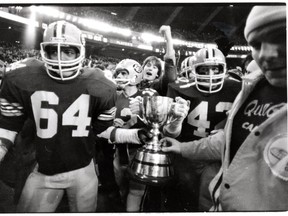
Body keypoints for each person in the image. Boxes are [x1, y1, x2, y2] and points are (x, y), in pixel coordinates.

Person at [161, 5, 287, 211]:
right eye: (256, 43)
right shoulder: (250, 89)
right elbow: (225, 140)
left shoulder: (238, 86)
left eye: (280, 36)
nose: (268, 53)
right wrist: (181, 143)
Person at [0, 20, 117, 212]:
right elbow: (7, 127)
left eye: (68, 51)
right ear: (44, 51)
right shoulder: (21, 78)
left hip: (83, 167)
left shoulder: (100, 85)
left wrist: (131, 134)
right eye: (54, 51)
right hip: (42, 169)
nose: (60, 58)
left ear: (81, 52)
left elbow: (102, 130)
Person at [163, 47, 241, 212]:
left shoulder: (237, 89)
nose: (211, 75)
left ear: (224, 70)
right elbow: (170, 132)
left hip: (215, 156)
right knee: (184, 193)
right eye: (205, 69)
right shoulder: (180, 88)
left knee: (211, 198)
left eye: (215, 69)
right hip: (185, 154)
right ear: (194, 70)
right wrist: (176, 120)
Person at [138, 25, 177, 96]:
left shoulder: (157, 85)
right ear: (142, 68)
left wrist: (169, 40)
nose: (150, 68)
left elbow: (170, 74)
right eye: (148, 65)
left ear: (157, 74)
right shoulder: (134, 84)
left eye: (154, 67)